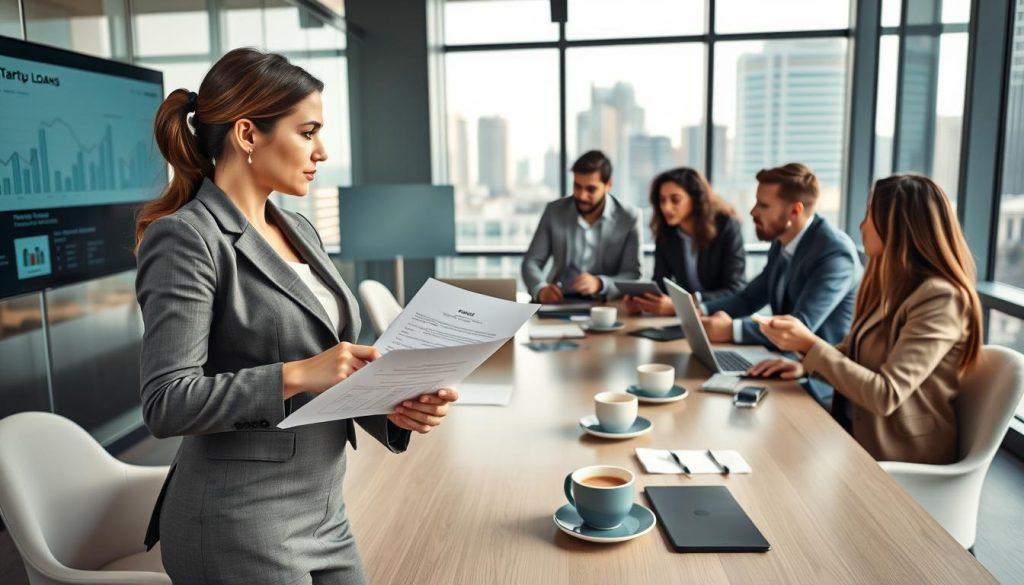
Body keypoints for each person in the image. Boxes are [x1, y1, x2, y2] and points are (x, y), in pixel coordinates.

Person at [134, 48, 458, 585]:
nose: (322, 151)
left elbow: (339, 364)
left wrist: (392, 408)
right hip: (237, 522)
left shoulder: (300, 229)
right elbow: (166, 403)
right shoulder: (186, 238)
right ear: (247, 135)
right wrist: (296, 373)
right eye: (308, 132)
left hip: (325, 509)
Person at [748, 175, 983, 464]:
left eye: (870, 215)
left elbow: (885, 395)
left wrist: (811, 346)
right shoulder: (890, 284)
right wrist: (803, 366)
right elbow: (854, 351)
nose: (861, 225)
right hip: (853, 435)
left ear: (896, 226)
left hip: (899, 455)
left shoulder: (941, 298)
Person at [699, 163, 862, 406]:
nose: (753, 211)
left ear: (795, 211)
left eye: (763, 205)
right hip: (782, 365)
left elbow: (800, 327)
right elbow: (749, 298)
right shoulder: (783, 241)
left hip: (818, 385)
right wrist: (699, 309)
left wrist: (730, 329)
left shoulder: (834, 253)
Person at [521, 150, 642, 303]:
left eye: (591, 189)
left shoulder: (629, 217)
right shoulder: (554, 211)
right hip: (558, 299)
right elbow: (531, 262)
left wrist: (600, 283)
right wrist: (540, 289)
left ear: (608, 185)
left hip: (606, 303)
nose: (582, 195)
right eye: (577, 186)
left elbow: (632, 274)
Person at [623, 167, 746, 316]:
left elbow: (736, 289)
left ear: (695, 199)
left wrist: (688, 302)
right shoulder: (667, 231)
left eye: (675, 200)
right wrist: (643, 301)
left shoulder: (727, 226)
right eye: (662, 200)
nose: (666, 207)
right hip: (687, 319)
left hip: (722, 316)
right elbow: (661, 281)